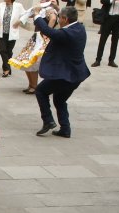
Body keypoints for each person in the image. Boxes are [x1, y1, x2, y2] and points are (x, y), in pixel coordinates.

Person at [33, 6, 90, 137]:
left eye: (59, 17)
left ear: (65, 19)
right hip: (76, 75)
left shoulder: (67, 33)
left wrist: (36, 15)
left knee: (41, 90)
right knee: (59, 100)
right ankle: (65, 129)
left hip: (65, 75)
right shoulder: (79, 28)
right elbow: (65, 21)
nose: (58, 19)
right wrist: (58, 9)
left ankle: (48, 121)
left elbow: (48, 31)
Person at [10, 1, 59, 94]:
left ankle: (34, 86)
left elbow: (53, 18)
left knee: (32, 62)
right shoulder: (43, 9)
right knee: (26, 61)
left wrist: (47, 32)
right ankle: (31, 85)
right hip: (36, 37)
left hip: (42, 39)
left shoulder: (50, 9)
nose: (41, 1)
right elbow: (29, 15)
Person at [0, 0, 26, 77]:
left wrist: (19, 21)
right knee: (3, 50)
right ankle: (6, 69)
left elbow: (25, 15)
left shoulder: (18, 6)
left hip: (12, 33)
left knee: (9, 52)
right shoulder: (1, 5)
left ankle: (7, 67)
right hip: (1, 33)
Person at [94, 0, 119, 67]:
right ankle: (98, 60)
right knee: (102, 40)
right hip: (107, 18)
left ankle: (111, 61)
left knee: (115, 41)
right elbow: (102, 1)